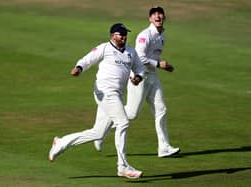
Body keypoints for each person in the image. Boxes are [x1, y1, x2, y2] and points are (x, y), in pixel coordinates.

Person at [48, 23, 145, 179]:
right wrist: (79, 68)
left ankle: (61, 143)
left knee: (98, 133)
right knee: (123, 122)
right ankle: (123, 167)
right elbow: (88, 59)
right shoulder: (105, 48)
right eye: (121, 34)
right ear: (113, 35)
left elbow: (140, 68)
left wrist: (138, 77)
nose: (125, 37)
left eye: (125, 34)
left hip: (117, 95)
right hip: (105, 92)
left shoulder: (130, 52)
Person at [94, 6, 180, 158]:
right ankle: (101, 131)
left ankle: (164, 147)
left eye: (160, 14)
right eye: (154, 14)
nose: (158, 16)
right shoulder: (145, 35)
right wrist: (159, 64)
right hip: (139, 77)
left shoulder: (162, 36)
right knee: (132, 114)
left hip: (152, 76)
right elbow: (139, 57)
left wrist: (163, 65)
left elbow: (151, 57)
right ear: (150, 19)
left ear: (164, 17)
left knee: (161, 110)